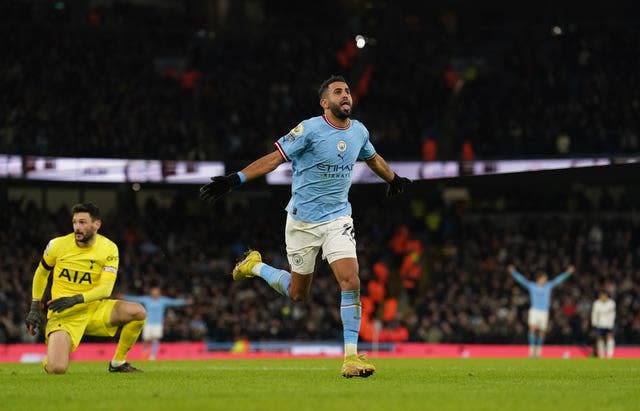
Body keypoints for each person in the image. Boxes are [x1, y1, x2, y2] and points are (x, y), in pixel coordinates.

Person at [199, 75, 411, 377]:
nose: (346, 95)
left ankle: (351, 357)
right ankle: (254, 266)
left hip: (338, 218)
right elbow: (273, 160)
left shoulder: (359, 132)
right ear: (324, 102)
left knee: (351, 280)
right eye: (338, 92)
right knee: (298, 294)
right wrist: (236, 179)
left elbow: (373, 158)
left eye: (348, 91)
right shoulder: (309, 129)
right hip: (302, 222)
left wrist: (394, 179)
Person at [25, 203, 147, 373]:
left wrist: (75, 299)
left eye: (82, 222)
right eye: (75, 222)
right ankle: (54, 353)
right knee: (57, 368)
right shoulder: (57, 245)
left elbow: (105, 289)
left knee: (138, 312)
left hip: (94, 310)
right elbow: (41, 273)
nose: (77, 227)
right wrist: (34, 306)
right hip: (65, 316)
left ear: (96, 225)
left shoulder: (109, 248)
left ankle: (118, 363)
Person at [507, 264, 575, 358]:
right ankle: (532, 350)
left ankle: (538, 350)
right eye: (544, 278)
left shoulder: (548, 286)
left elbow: (558, 280)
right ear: (539, 279)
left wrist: (568, 273)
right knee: (532, 329)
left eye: (546, 279)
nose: (545, 280)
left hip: (544, 312)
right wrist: (513, 272)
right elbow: (522, 280)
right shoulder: (532, 286)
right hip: (535, 310)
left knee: (542, 332)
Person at [123, 286, 192, 360]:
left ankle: (153, 356)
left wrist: (185, 302)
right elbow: (136, 299)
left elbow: (174, 302)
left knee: (155, 339)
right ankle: (144, 352)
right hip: (148, 323)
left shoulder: (163, 300)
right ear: (151, 293)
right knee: (146, 339)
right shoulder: (147, 299)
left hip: (158, 324)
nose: (155, 294)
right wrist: (124, 297)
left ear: (159, 293)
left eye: (157, 293)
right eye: (153, 293)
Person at [591, 289, 616, 358]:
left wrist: (612, 323)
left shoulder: (611, 303)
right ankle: (601, 355)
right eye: (600, 295)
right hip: (599, 324)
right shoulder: (596, 303)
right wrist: (594, 323)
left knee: (610, 338)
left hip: (609, 324)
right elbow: (594, 314)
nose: (601, 297)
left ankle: (609, 355)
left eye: (603, 295)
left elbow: (613, 314)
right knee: (600, 339)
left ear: (606, 295)